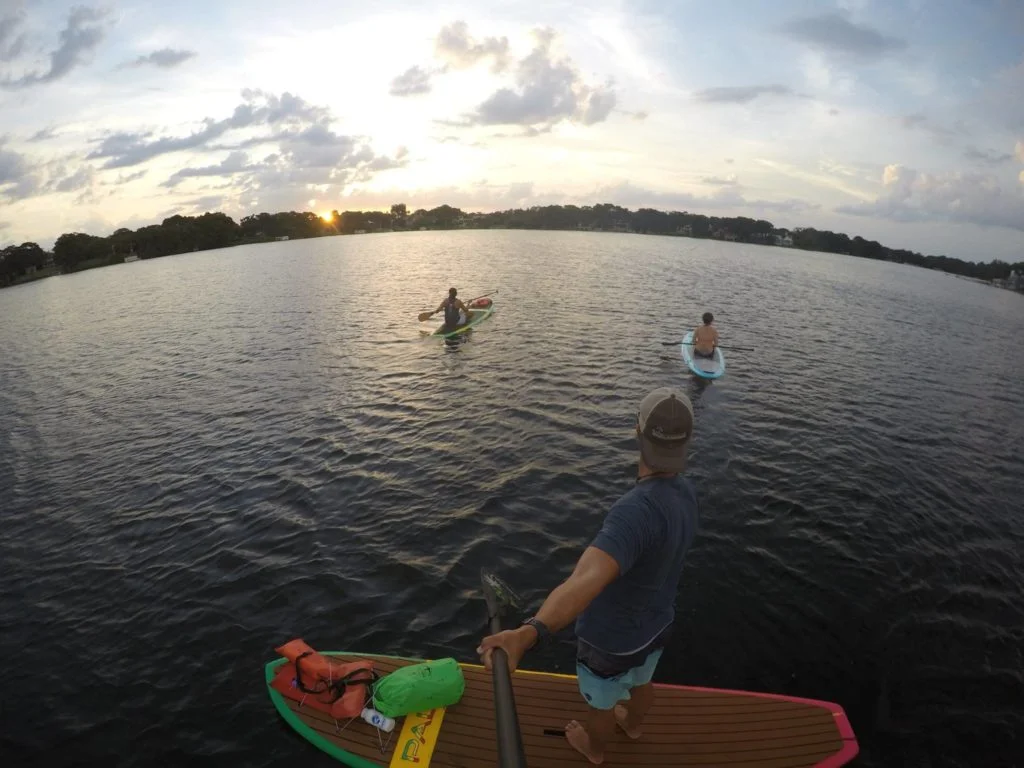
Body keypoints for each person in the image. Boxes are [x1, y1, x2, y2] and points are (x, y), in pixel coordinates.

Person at [477, 388, 700, 765]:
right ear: (686, 443)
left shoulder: (634, 512)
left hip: (610, 642)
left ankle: (594, 749)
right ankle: (632, 725)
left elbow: (586, 580)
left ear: (637, 432)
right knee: (642, 683)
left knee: (601, 708)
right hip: (658, 625)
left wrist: (527, 633)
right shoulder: (686, 493)